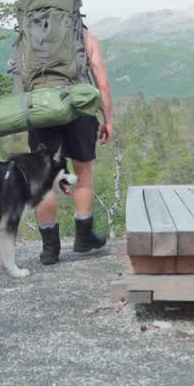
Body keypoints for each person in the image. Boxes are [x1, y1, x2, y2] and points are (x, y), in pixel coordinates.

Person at [27, 27, 113, 265]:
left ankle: (49, 249)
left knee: (44, 178)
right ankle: (84, 238)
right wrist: (108, 120)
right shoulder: (86, 37)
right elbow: (103, 84)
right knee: (83, 171)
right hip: (80, 107)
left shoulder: (29, 34)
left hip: (41, 108)